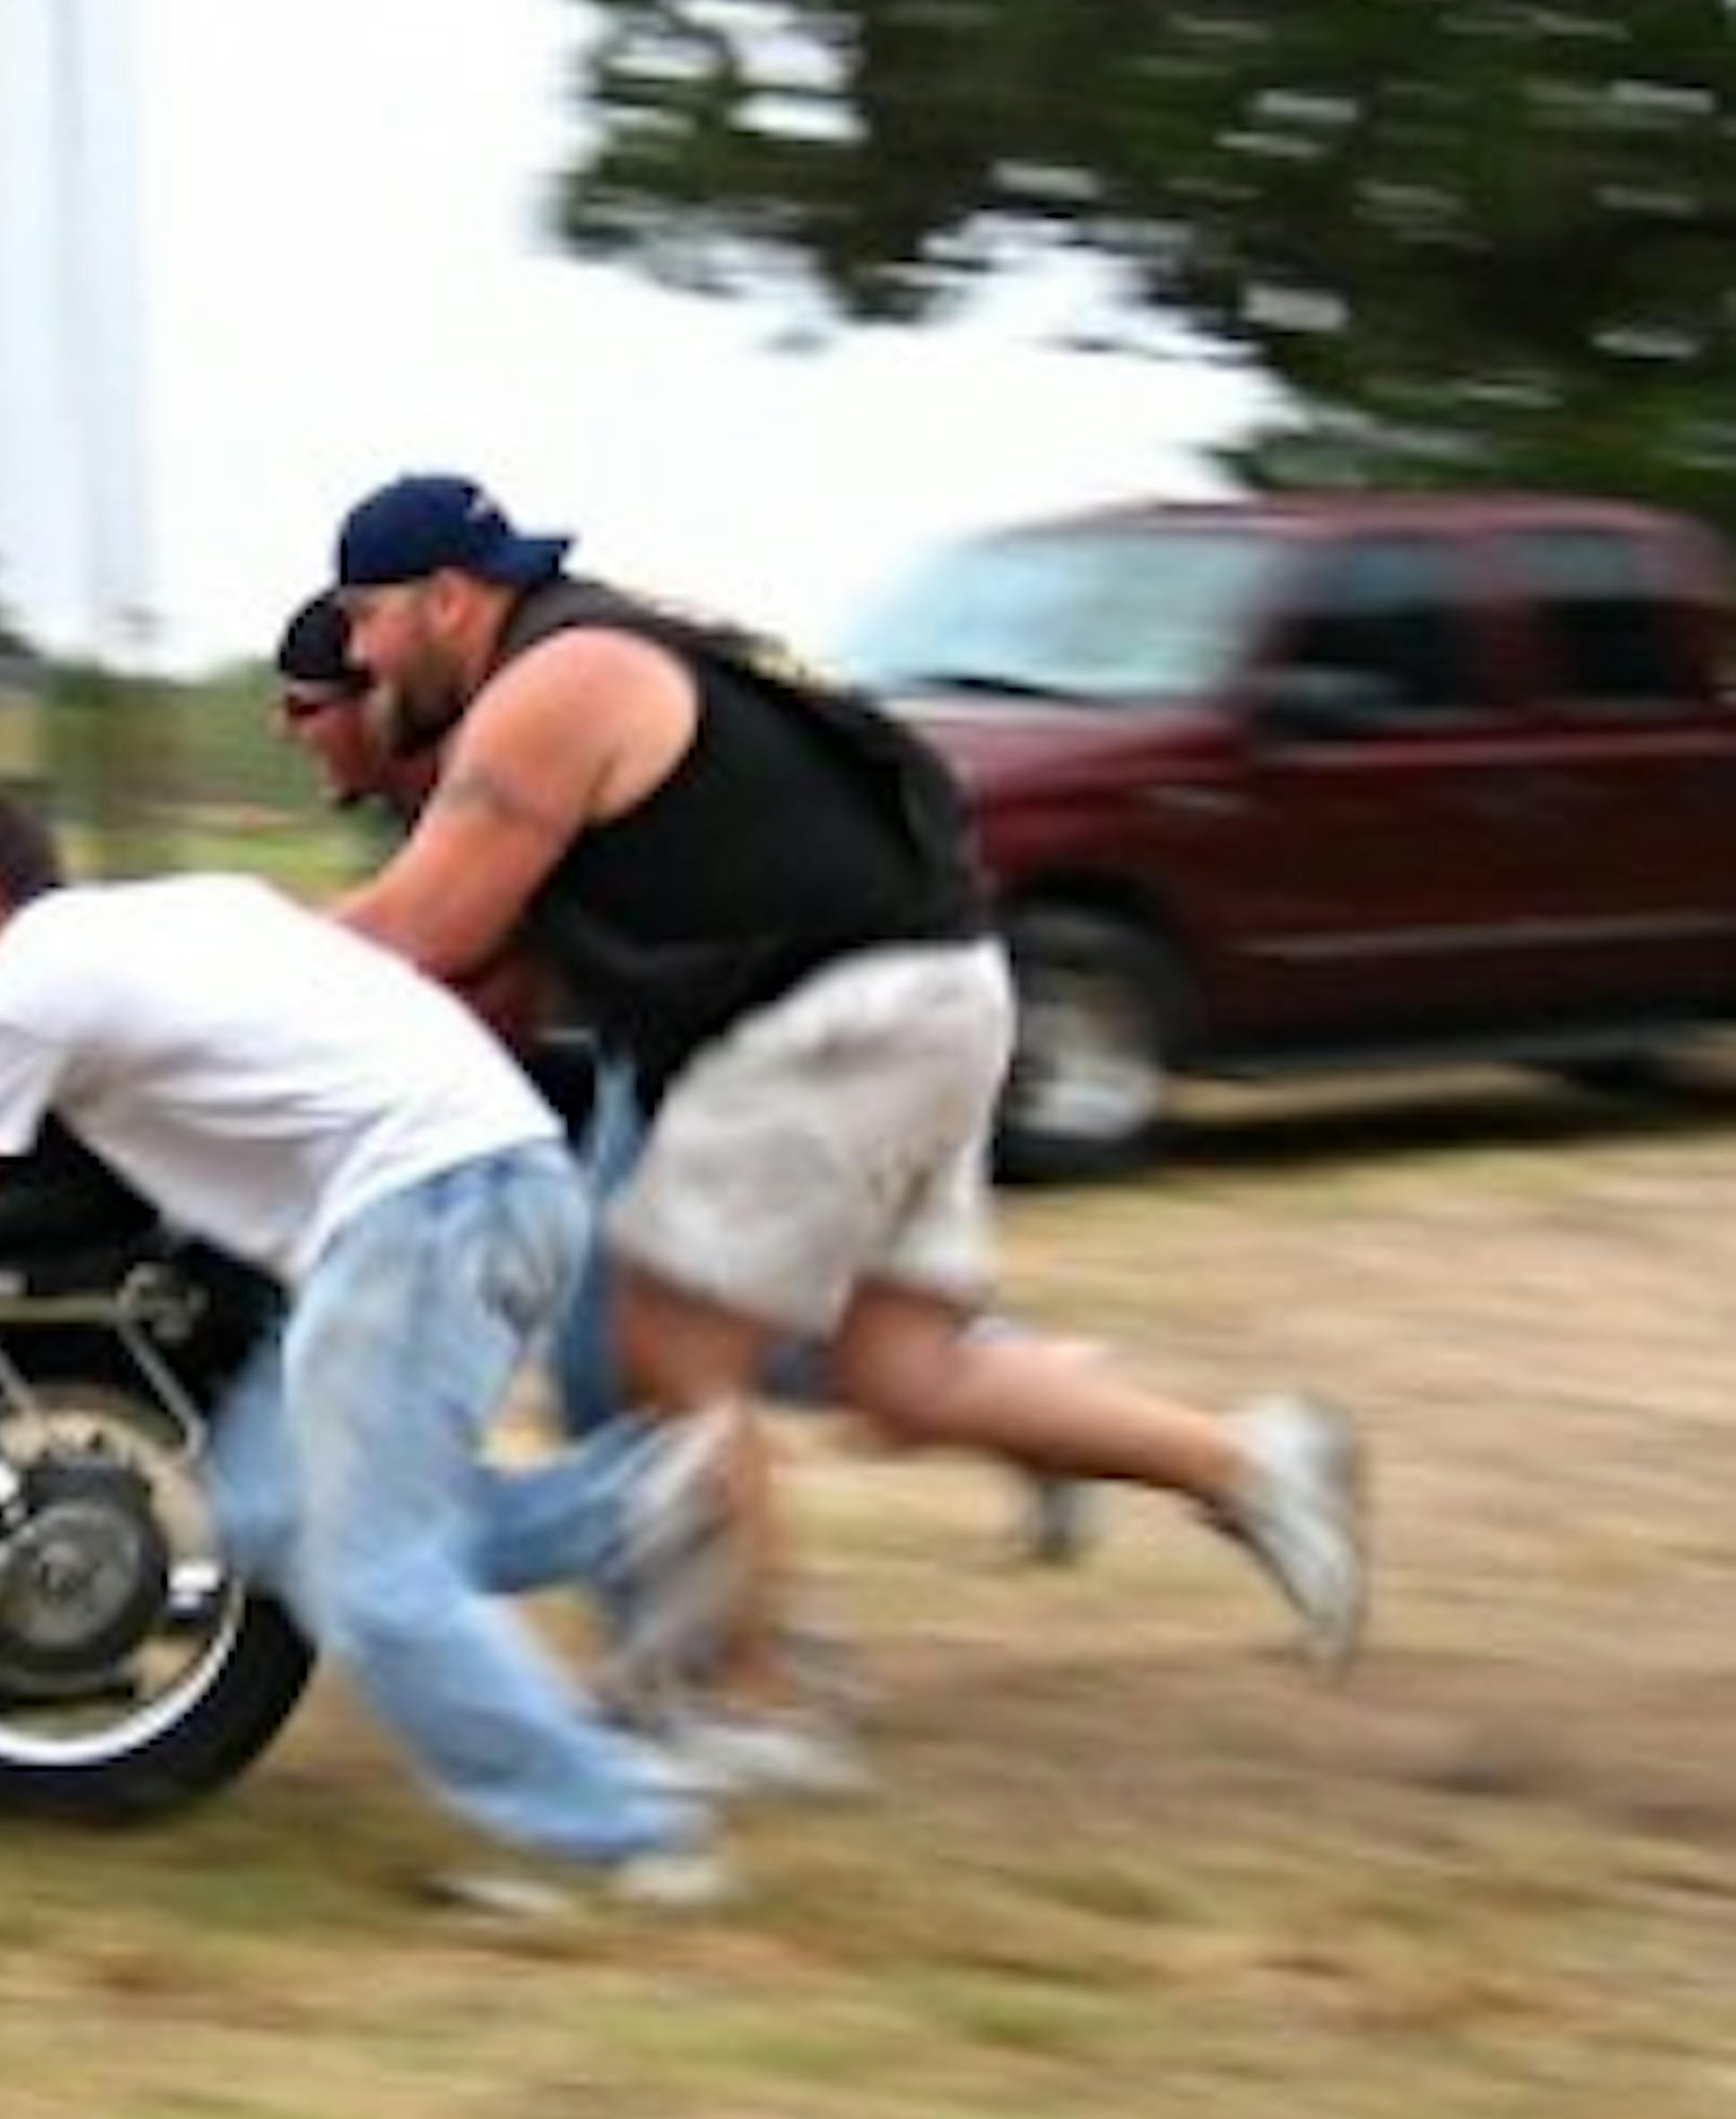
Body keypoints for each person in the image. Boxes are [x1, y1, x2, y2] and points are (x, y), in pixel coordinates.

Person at [312, 473, 1368, 1731]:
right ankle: (1253, 1464)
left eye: (367, 620)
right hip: (931, 993)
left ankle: (756, 1704)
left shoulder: (554, 685)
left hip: (841, 1016)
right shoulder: (595, 651)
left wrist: (186, 958)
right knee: (900, 1375)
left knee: (666, 1350)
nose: (360, 654)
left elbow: (424, 927)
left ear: (443, 599)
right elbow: (505, 968)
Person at [0, 785, 736, 1921]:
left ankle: (624, 1829)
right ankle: (638, 1503)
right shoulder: (166, 917)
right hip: (482, 1189)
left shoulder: (21, 985)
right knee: (269, 1514)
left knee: (376, 1582)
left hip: (428, 1210)